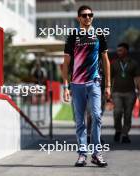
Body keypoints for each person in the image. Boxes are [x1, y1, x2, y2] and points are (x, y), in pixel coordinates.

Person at [62, 5, 111, 167]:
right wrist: (65, 86)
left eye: (90, 15)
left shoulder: (99, 34)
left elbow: (105, 59)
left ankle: (96, 154)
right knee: (80, 121)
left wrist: (108, 85)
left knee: (97, 116)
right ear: (78, 18)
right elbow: (66, 62)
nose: (88, 17)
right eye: (84, 15)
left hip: (95, 83)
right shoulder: (73, 36)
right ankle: (82, 154)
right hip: (76, 84)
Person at [111, 43, 140, 143]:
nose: (118, 52)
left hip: (130, 93)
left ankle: (125, 134)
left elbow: (137, 78)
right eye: (118, 50)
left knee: (128, 114)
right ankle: (118, 130)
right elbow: (110, 78)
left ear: (126, 51)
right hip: (116, 93)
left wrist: (138, 90)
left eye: (121, 50)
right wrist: (108, 91)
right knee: (117, 112)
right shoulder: (114, 63)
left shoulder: (133, 63)